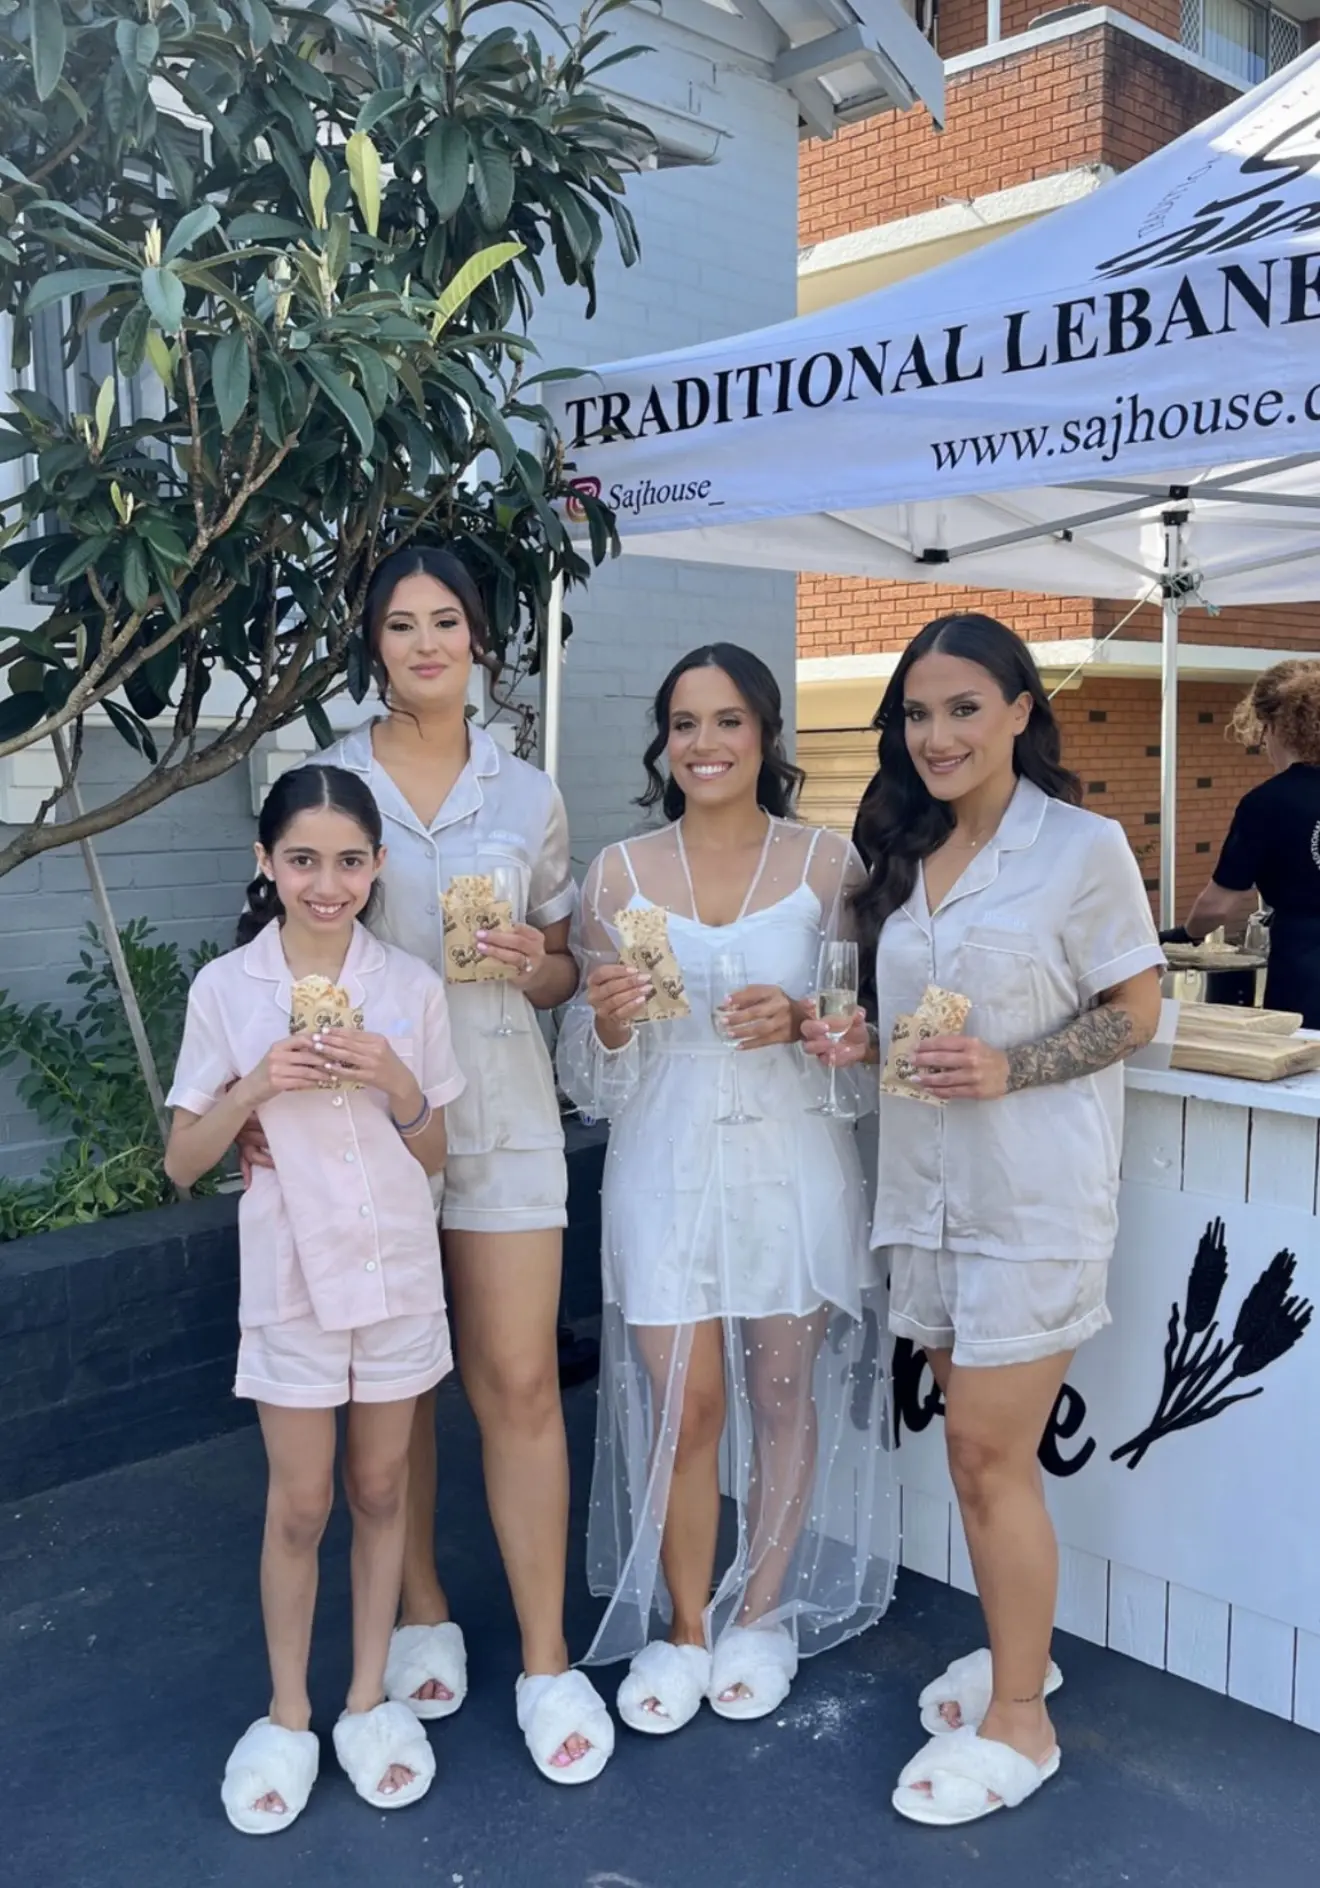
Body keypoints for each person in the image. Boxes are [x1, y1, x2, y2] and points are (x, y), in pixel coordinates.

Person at [804, 613, 1163, 1828]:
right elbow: (883, 1039)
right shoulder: (901, 855)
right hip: (926, 1198)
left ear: (1020, 709)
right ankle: (1023, 1656)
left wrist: (1014, 1066)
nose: (938, 733)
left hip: (1034, 1202)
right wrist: (849, 1041)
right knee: (974, 1455)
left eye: (964, 707)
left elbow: (1136, 1006)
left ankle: (1024, 1718)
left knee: (987, 1455)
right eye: (917, 713)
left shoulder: (1083, 846)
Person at [305, 544, 611, 1783]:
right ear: (371, 642)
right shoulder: (323, 775)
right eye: (399, 624)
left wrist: (534, 950)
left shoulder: (528, 793)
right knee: (399, 1381)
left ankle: (547, 1659)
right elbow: (289, 937)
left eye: (447, 622)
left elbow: (563, 970)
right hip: (366, 1123)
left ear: (482, 641)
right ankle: (425, 1603)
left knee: (519, 1380)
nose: (425, 643)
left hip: (500, 1109)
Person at [556, 644, 895, 1738]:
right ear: (663, 741)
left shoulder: (828, 867)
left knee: (782, 1397)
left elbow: (855, 1033)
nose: (705, 744)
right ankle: (685, 1628)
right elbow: (591, 1069)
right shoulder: (614, 873)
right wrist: (606, 1017)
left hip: (790, 1158)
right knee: (684, 1409)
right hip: (663, 1157)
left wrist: (806, 1023)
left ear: (768, 735)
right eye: (685, 723)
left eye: (729, 721)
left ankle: (761, 1610)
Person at [165, 765, 466, 1833]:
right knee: (301, 1502)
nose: (326, 884)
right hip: (290, 1273)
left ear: (378, 866)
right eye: (302, 860)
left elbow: (437, 1146)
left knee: (383, 1489)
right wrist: (256, 1082)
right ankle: (289, 1712)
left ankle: (365, 1699)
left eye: (348, 861)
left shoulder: (410, 989)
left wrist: (393, 1080)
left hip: (393, 1267)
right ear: (266, 863)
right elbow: (182, 1162)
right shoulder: (228, 990)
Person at [1175, 659, 1320, 1025]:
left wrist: (1185, 935)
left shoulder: (1267, 802)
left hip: (1306, 969)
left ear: (1273, 728)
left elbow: (1218, 906)